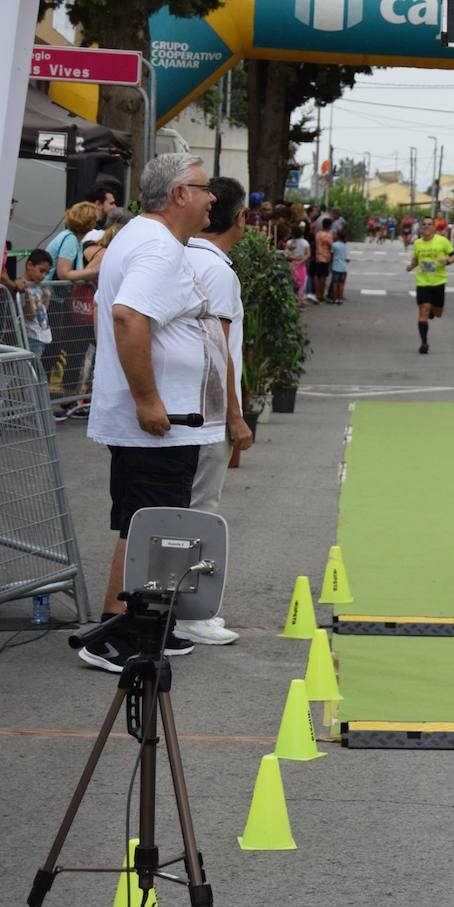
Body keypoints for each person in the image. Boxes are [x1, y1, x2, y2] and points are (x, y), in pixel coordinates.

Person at [79, 153, 227, 673]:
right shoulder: (157, 247)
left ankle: (138, 626)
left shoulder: (151, 239)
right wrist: (148, 400)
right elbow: (129, 316)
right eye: (205, 188)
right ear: (180, 194)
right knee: (149, 525)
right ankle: (118, 636)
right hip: (159, 422)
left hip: (164, 420)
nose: (214, 197)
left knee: (141, 523)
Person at [182, 176, 255, 646]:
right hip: (207, 412)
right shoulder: (219, 272)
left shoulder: (180, 255)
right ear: (240, 218)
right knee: (200, 511)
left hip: (181, 406)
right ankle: (190, 613)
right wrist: (234, 415)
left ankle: (173, 607)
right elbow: (221, 349)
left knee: (176, 509)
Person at [405, 215, 454, 354]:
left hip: (438, 281)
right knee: (423, 310)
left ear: (434, 227)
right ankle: (424, 343)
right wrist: (411, 266)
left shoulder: (442, 241)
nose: (426, 226)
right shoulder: (417, 243)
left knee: (438, 313)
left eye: (429, 224)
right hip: (422, 282)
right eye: (424, 224)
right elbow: (416, 260)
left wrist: (447, 261)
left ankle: (432, 312)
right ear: (421, 228)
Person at [19, 249, 53, 360]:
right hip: (31, 336)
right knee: (29, 371)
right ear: (29, 265)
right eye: (41, 271)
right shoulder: (23, 287)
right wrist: (28, 298)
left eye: (46, 273)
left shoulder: (37, 286)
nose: (43, 276)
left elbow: (42, 312)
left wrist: (46, 298)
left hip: (42, 335)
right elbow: (31, 315)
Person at [309, 216, 334, 302]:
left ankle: (317, 293)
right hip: (325, 257)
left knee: (317, 275)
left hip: (318, 256)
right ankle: (321, 294)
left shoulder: (318, 234)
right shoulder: (328, 235)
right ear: (329, 226)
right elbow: (331, 246)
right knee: (323, 276)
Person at [284, 222, 310, 302]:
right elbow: (308, 254)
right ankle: (299, 301)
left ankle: (292, 301)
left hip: (291, 264)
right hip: (301, 265)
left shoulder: (289, 243)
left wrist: (292, 257)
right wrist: (300, 261)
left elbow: (286, 254)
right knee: (301, 284)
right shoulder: (305, 242)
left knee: (291, 283)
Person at [329, 234, 349, 303]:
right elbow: (347, 259)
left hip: (336, 266)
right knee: (341, 283)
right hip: (343, 267)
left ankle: (335, 298)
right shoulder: (345, 246)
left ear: (338, 236)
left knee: (335, 283)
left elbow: (331, 255)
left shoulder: (334, 245)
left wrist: (330, 264)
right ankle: (340, 298)